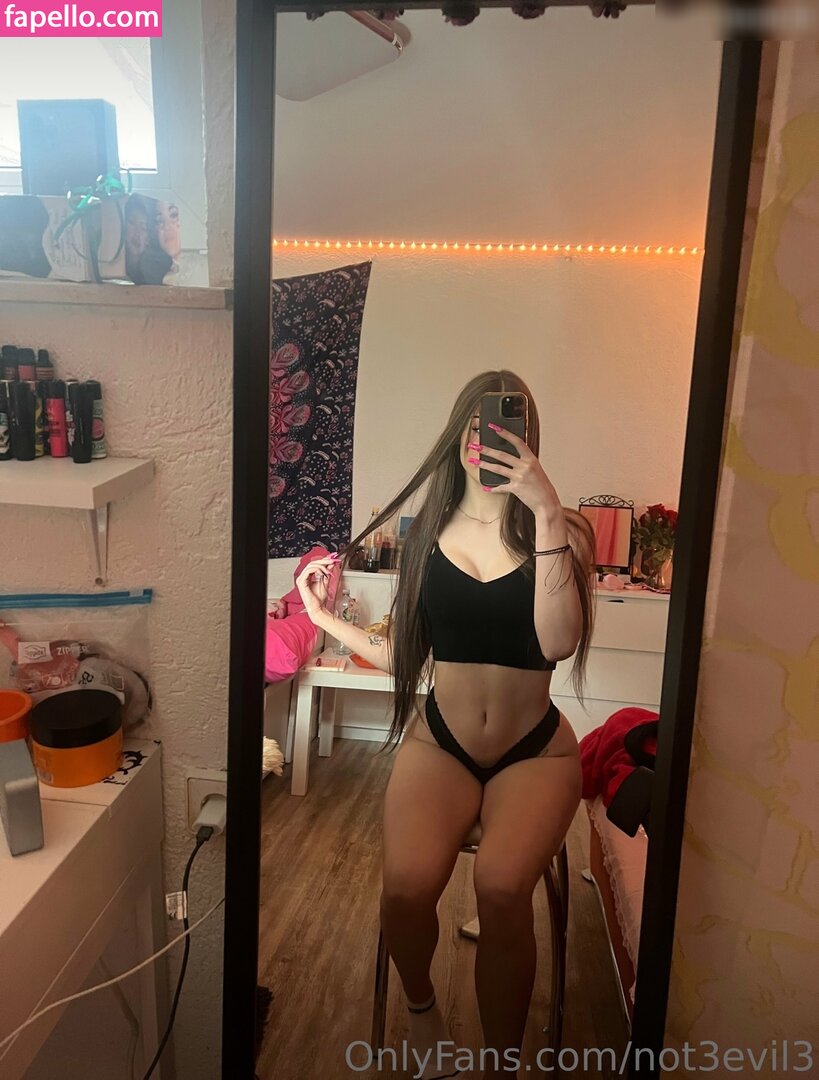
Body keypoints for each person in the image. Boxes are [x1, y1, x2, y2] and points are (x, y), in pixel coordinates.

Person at [296, 370, 595, 1080]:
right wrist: (321, 619)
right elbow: (406, 653)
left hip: (535, 754)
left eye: (506, 427)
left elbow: (557, 642)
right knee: (404, 887)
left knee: (501, 888)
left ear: (528, 440)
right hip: (443, 744)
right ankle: (423, 1010)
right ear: (458, 438)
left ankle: (501, 1065)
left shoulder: (563, 529)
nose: (487, 440)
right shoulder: (425, 535)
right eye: (475, 427)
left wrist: (546, 514)